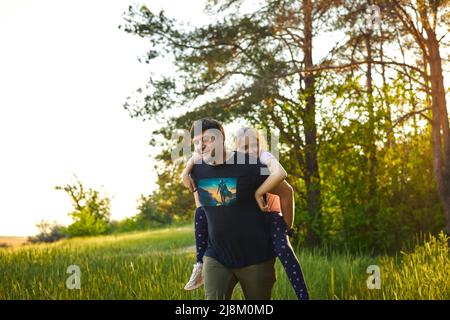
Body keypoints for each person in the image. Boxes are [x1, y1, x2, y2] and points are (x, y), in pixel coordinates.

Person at [182, 125, 309, 300]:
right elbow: (203, 207)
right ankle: (199, 263)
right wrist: (184, 173)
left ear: (221, 139)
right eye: (196, 142)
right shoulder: (197, 169)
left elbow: (286, 192)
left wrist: (285, 228)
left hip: (256, 257)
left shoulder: (255, 165)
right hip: (217, 256)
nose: (200, 145)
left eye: (205, 139)